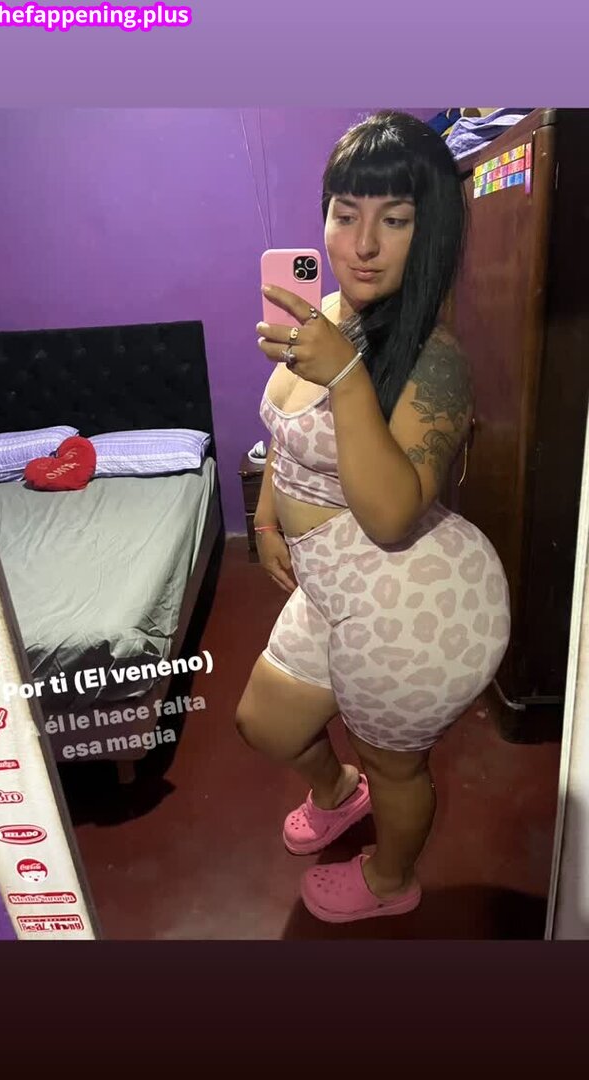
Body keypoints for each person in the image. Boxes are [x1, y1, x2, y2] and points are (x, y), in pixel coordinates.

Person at [235, 110, 511, 924]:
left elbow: (390, 516)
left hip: (407, 603)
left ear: (430, 232)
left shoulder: (435, 361)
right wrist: (266, 518)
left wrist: (349, 375)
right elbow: (286, 434)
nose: (361, 244)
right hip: (329, 587)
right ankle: (337, 792)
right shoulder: (324, 315)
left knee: (396, 766)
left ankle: (392, 881)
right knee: (264, 725)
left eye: (394, 220)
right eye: (345, 213)